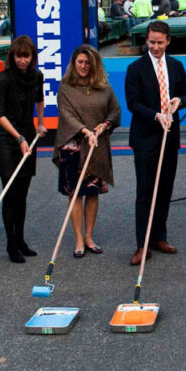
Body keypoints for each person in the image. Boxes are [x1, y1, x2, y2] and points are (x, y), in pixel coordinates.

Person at [124, 20, 186, 265]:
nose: (155, 47)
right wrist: (156, 115)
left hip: (170, 136)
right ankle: (142, 244)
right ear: (147, 40)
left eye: (160, 43)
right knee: (145, 191)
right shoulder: (135, 68)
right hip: (145, 137)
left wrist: (178, 102)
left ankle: (159, 237)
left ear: (168, 41)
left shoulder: (176, 65)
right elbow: (133, 103)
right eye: (151, 42)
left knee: (165, 189)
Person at [54, 45, 121, 257]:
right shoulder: (66, 87)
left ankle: (90, 236)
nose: (83, 66)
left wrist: (105, 125)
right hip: (73, 147)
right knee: (75, 194)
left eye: (87, 62)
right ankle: (78, 238)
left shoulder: (104, 86)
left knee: (92, 192)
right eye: (80, 62)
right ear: (74, 63)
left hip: (96, 147)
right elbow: (67, 115)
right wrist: (85, 131)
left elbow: (115, 110)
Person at [0, 36, 46, 263]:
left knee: (22, 193)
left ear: (32, 57)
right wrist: (19, 138)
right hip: (7, 138)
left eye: (26, 56)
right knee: (10, 192)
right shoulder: (3, 79)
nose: (22, 60)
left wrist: (40, 123)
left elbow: (40, 100)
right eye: (18, 56)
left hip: (27, 134)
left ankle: (21, 240)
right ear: (12, 57)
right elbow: (0, 114)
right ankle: (11, 244)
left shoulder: (37, 76)